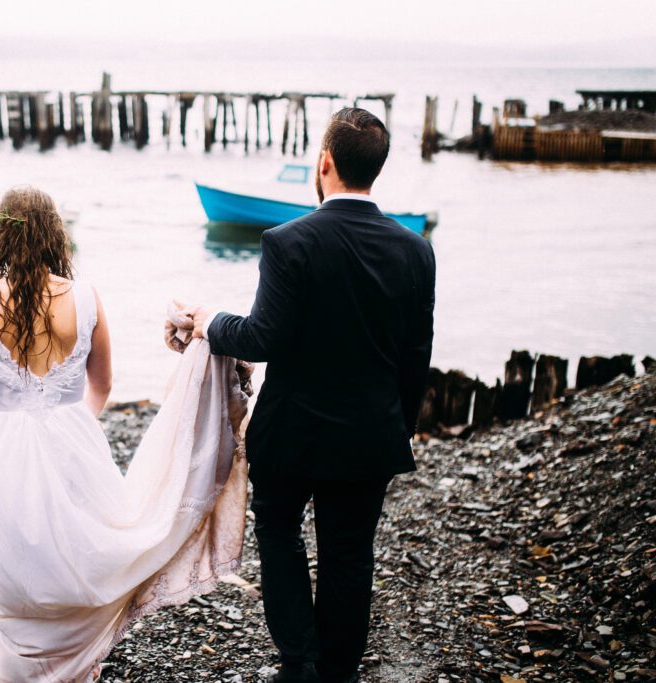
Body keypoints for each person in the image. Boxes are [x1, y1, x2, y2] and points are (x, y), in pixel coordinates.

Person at [0, 186, 251, 682]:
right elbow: (103, 383)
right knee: (82, 550)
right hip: (75, 432)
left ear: (1, 235)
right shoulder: (87, 297)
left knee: (11, 554)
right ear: (56, 235)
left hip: (8, 441)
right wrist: (73, 425)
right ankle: (74, 663)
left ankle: (13, 668)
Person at [184, 108, 437, 683]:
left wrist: (209, 321)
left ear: (324, 162)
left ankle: (299, 660)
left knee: (278, 529)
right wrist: (400, 426)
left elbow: (262, 336)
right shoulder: (415, 250)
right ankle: (340, 669)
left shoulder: (287, 241)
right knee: (350, 552)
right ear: (377, 170)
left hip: (293, 431)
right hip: (371, 433)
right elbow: (416, 355)